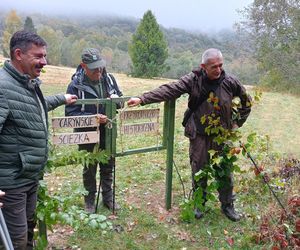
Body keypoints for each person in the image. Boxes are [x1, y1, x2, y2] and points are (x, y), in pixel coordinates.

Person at [127, 48, 252, 222]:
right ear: (203, 66)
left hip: (222, 136)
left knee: (224, 171)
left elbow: (247, 102)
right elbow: (170, 89)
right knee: (199, 170)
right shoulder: (193, 80)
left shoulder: (230, 82)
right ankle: (199, 203)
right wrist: (142, 99)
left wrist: (237, 123)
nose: (218, 70)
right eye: (213, 67)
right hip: (199, 134)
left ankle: (227, 205)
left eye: (220, 65)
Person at [0, 30, 77, 249]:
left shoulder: (26, 83)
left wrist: (62, 98)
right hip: (10, 183)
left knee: (27, 233)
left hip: (28, 177)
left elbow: (32, 107)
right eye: (38, 56)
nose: (45, 61)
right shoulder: (3, 87)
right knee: (15, 241)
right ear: (18, 54)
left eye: (45, 56)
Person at [65, 48, 123, 213]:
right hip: (87, 134)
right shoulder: (75, 85)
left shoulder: (109, 79)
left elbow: (121, 101)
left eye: (100, 67)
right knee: (89, 168)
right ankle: (89, 201)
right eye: (94, 68)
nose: (99, 71)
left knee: (108, 165)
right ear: (84, 66)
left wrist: (117, 101)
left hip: (108, 131)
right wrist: (93, 117)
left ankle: (108, 198)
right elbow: (70, 114)